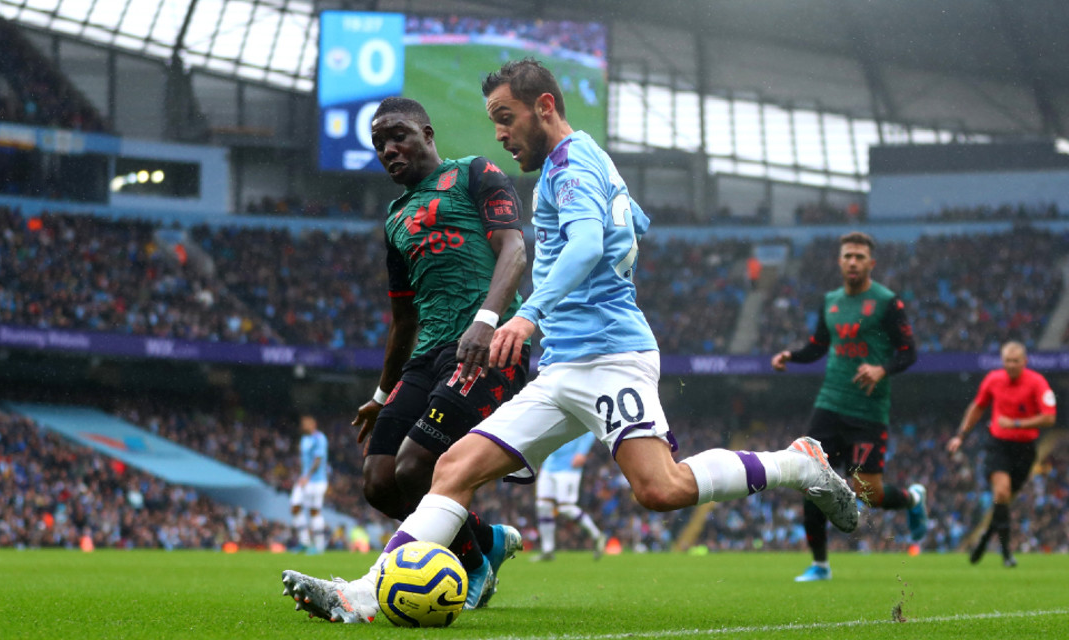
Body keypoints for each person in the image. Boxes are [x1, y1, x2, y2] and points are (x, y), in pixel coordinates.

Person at [280, 58, 858, 623]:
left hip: (610, 357)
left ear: (545, 106)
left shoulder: (570, 164)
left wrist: (525, 316)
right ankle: (363, 595)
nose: (501, 134)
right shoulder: (588, 163)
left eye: (506, 118)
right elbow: (631, 221)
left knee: (660, 488)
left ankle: (798, 464)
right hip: (562, 368)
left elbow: (583, 247)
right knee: (453, 467)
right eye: (494, 122)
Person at [346, 96, 529, 609]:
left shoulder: (475, 172)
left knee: (413, 468)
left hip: (488, 346)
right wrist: (382, 393)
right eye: (379, 143)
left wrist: (485, 322)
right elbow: (403, 317)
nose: (389, 148)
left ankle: (474, 567)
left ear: (427, 133)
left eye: (398, 135)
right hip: (427, 355)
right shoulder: (395, 217)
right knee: (380, 482)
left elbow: (514, 249)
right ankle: (486, 543)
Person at [770, 231, 924, 582]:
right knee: (810, 479)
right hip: (829, 403)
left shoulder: (886, 301)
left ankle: (914, 499)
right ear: (839, 262)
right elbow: (818, 345)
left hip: (868, 411)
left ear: (872, 263)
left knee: (869, 494)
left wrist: (881, 368)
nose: (853, 261)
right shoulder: (831, 301)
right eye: (847, 256)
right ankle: (820, 565)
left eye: (859, 256)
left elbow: (909, 351)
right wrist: (791, 356)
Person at [946, 341, 1056, 567]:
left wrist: (1016, 423)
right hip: (999, 445)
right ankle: (1006, 554)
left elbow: (1049, 418)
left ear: (1025, 362)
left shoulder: (1037, 382)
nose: (1011, 365)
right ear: (1002, 361)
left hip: (1026, 449)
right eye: (1007, 360)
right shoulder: (993, 380)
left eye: (1016, 361)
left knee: (1003, 502)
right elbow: (978, 407)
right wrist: (960, 435)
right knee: (1002, 493)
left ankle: (985, 539)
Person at [533, 432, 607, 561]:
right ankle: (547, 550)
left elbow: (589, 431)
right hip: (549, 465)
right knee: (543, 505)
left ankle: (597, 535)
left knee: (565, 507)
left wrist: (582, 452)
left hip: (569, 465)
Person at [290, 413, 328, 553]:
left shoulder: (319, 438)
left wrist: (307, 475)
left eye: (306, 423)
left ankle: (319, 547)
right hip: (304, 479)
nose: (303, 426)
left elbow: (318, 459)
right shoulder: (304, 439)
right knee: (295, 506)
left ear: (313, 424)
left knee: (314, 511)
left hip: (316, 481)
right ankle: (304, 542)